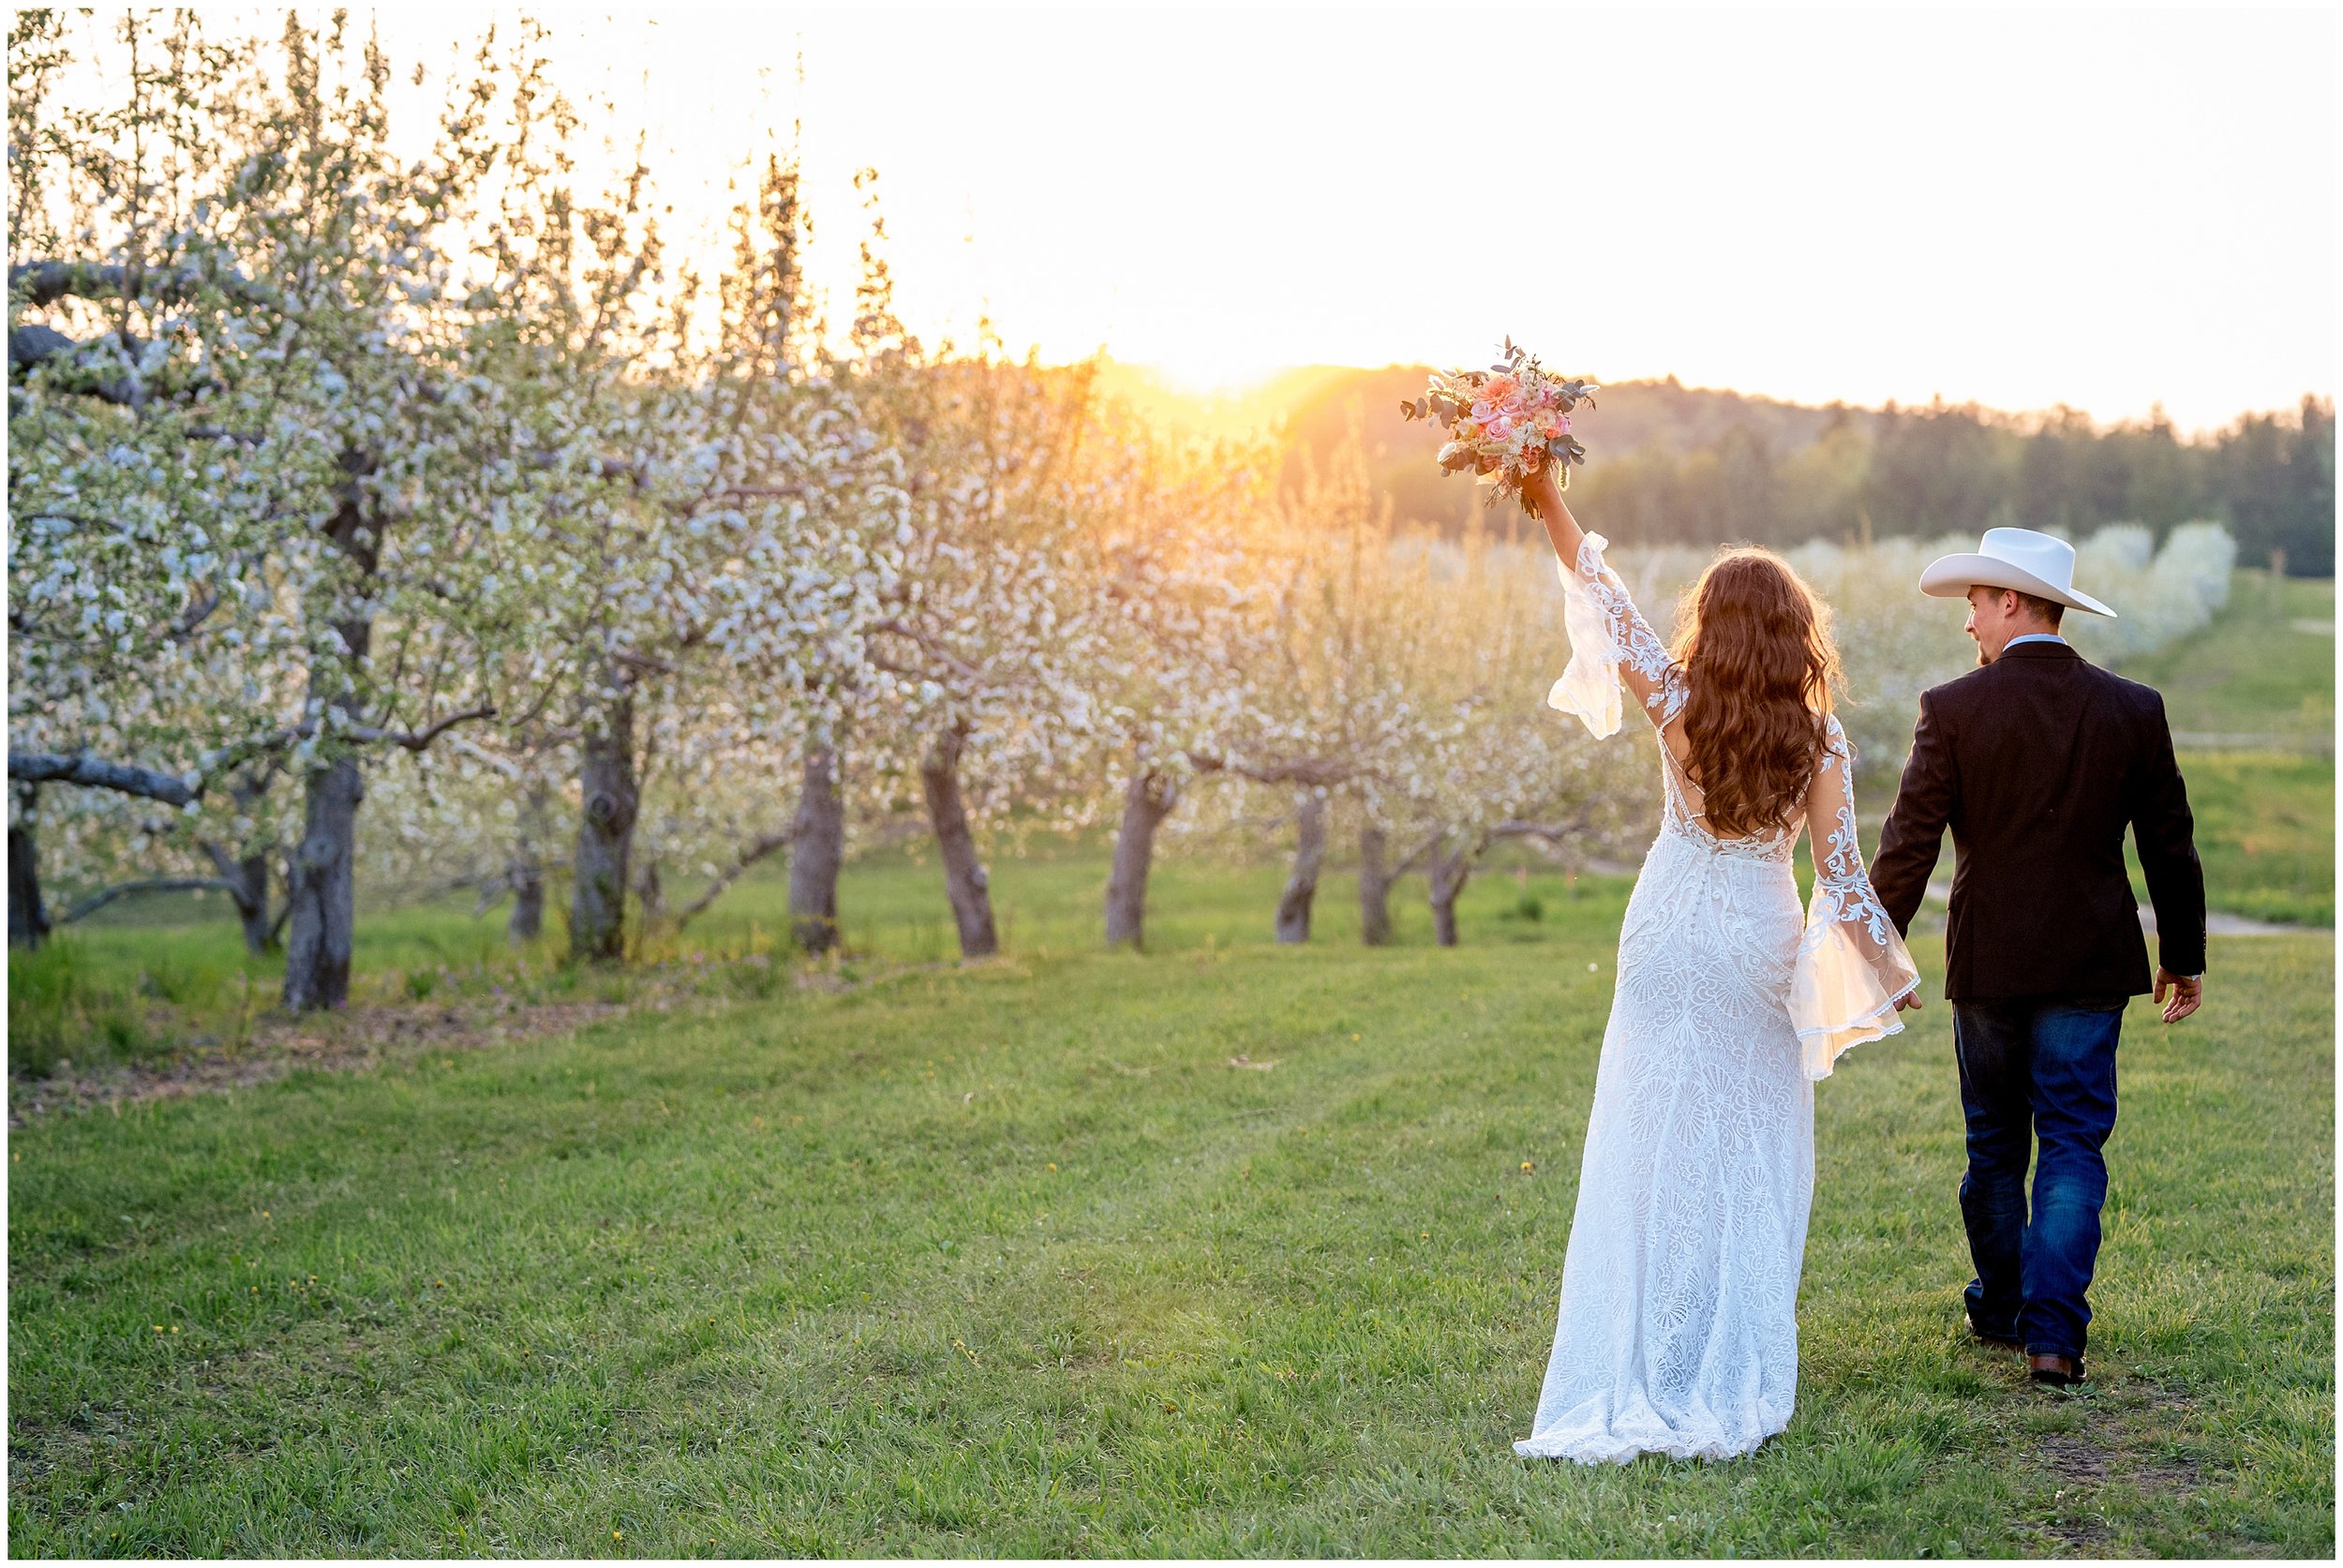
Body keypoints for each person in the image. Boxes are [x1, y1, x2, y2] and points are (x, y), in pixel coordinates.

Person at [1512, 462, 1919, 1464]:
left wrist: (1544, 496)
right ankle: (1718, 1351)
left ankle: (1643, 1344)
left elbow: (1600, 595)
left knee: (1648, 1135)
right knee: (1744, 1140)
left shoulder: (1674, 696)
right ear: (1795, 635)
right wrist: (1889, 970)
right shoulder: (1819, 742)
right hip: (1750, 935)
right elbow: (1841, 879)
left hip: (1661, 930)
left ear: (1710, 624)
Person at [1870, 527, 2205, 1389]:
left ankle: (2006, 1306)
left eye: (1977, 603)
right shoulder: (2133, 708)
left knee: (1993, 1147)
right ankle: (2051, 1336)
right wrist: (2184, 953)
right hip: (2093, 963)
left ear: (2012, 601)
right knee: (2071, 1144)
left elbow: (1909, 845)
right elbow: (2170, 843)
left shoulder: (1952, 708)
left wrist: (1877, 949)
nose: (1970, 622)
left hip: (1988, 963)